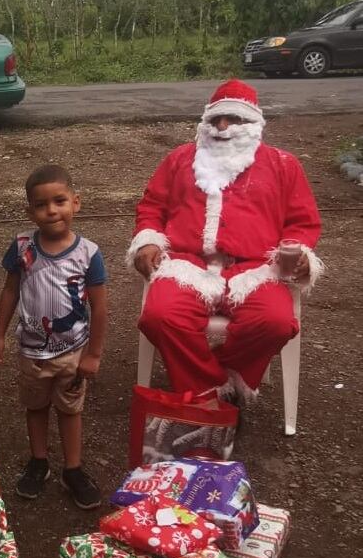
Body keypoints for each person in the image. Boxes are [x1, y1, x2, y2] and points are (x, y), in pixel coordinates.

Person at [128, 79, 324, 403]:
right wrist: (148, 242)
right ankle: (212, 390)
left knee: (276, 322)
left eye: (233, 119)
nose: (222, 126)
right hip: (187, 266)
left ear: (253, 124)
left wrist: (298, 252)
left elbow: (301, 222)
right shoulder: (179, 159)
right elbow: (151, 207)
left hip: (255, 269)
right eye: (215, 119)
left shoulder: (282, 164)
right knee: (159, 316)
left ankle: (221, 375)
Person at [0, 164, 108, 508]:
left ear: (76, 202)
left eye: (59, 201)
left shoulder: (89, 253)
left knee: (70, 410)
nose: (51, 210)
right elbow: (10, 291)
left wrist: (94, 355)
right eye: (42, 205)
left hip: (73, 351)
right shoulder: (23, 247)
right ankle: (38, 462)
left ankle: (72, 469)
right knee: (36, 406)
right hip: (31, 351)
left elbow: (100, 309)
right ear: (31, 211)